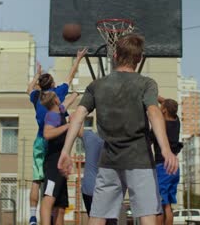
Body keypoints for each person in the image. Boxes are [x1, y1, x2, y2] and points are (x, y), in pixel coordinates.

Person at [57, 33, 178, 225]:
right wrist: (165, 149)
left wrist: (66, 151)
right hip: (141, 161)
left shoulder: (96, 86)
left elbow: (78, 116)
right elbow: (154, 112)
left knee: (97, 217)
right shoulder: (146, 84)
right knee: (147, 216)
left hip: (109, 161)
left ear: (114, 56)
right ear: (138, 59)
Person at [26, 48, 87, 225]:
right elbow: (69, 77)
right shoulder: (55, 103)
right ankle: (35, 218)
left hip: (44, 146)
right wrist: (77, 60)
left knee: (41, 184)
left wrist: (36, 76)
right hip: (51, 151)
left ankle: (32, 215)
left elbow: (30, 89)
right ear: (54, 94)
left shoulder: (38, 98)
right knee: (49, 197)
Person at [40, 91, 82, 225]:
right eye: (58, 97)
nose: (61, 99)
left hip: (62, 163)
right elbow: (47, 134)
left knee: (60, 206)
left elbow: (68, 101)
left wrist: (77, 93)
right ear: (56, 101)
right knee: (49, 199)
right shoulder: (52, 116)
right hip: (53, 163)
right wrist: (68, 126)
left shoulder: (60, 111)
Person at [151, 97, 183, 225]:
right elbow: (171, 105)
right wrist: (157, 97)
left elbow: (148, 140)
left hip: (162, 166)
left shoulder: (159, 126)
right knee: (167, 205)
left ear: (163, 111)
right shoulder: (176, 122)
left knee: (159, 205)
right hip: (174, 167)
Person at [80, 130, 117, 225]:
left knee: (93, 219)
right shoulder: (114, 141)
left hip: (87, 189)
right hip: (104, 189)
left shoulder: (89, 136)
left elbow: (75, 123)